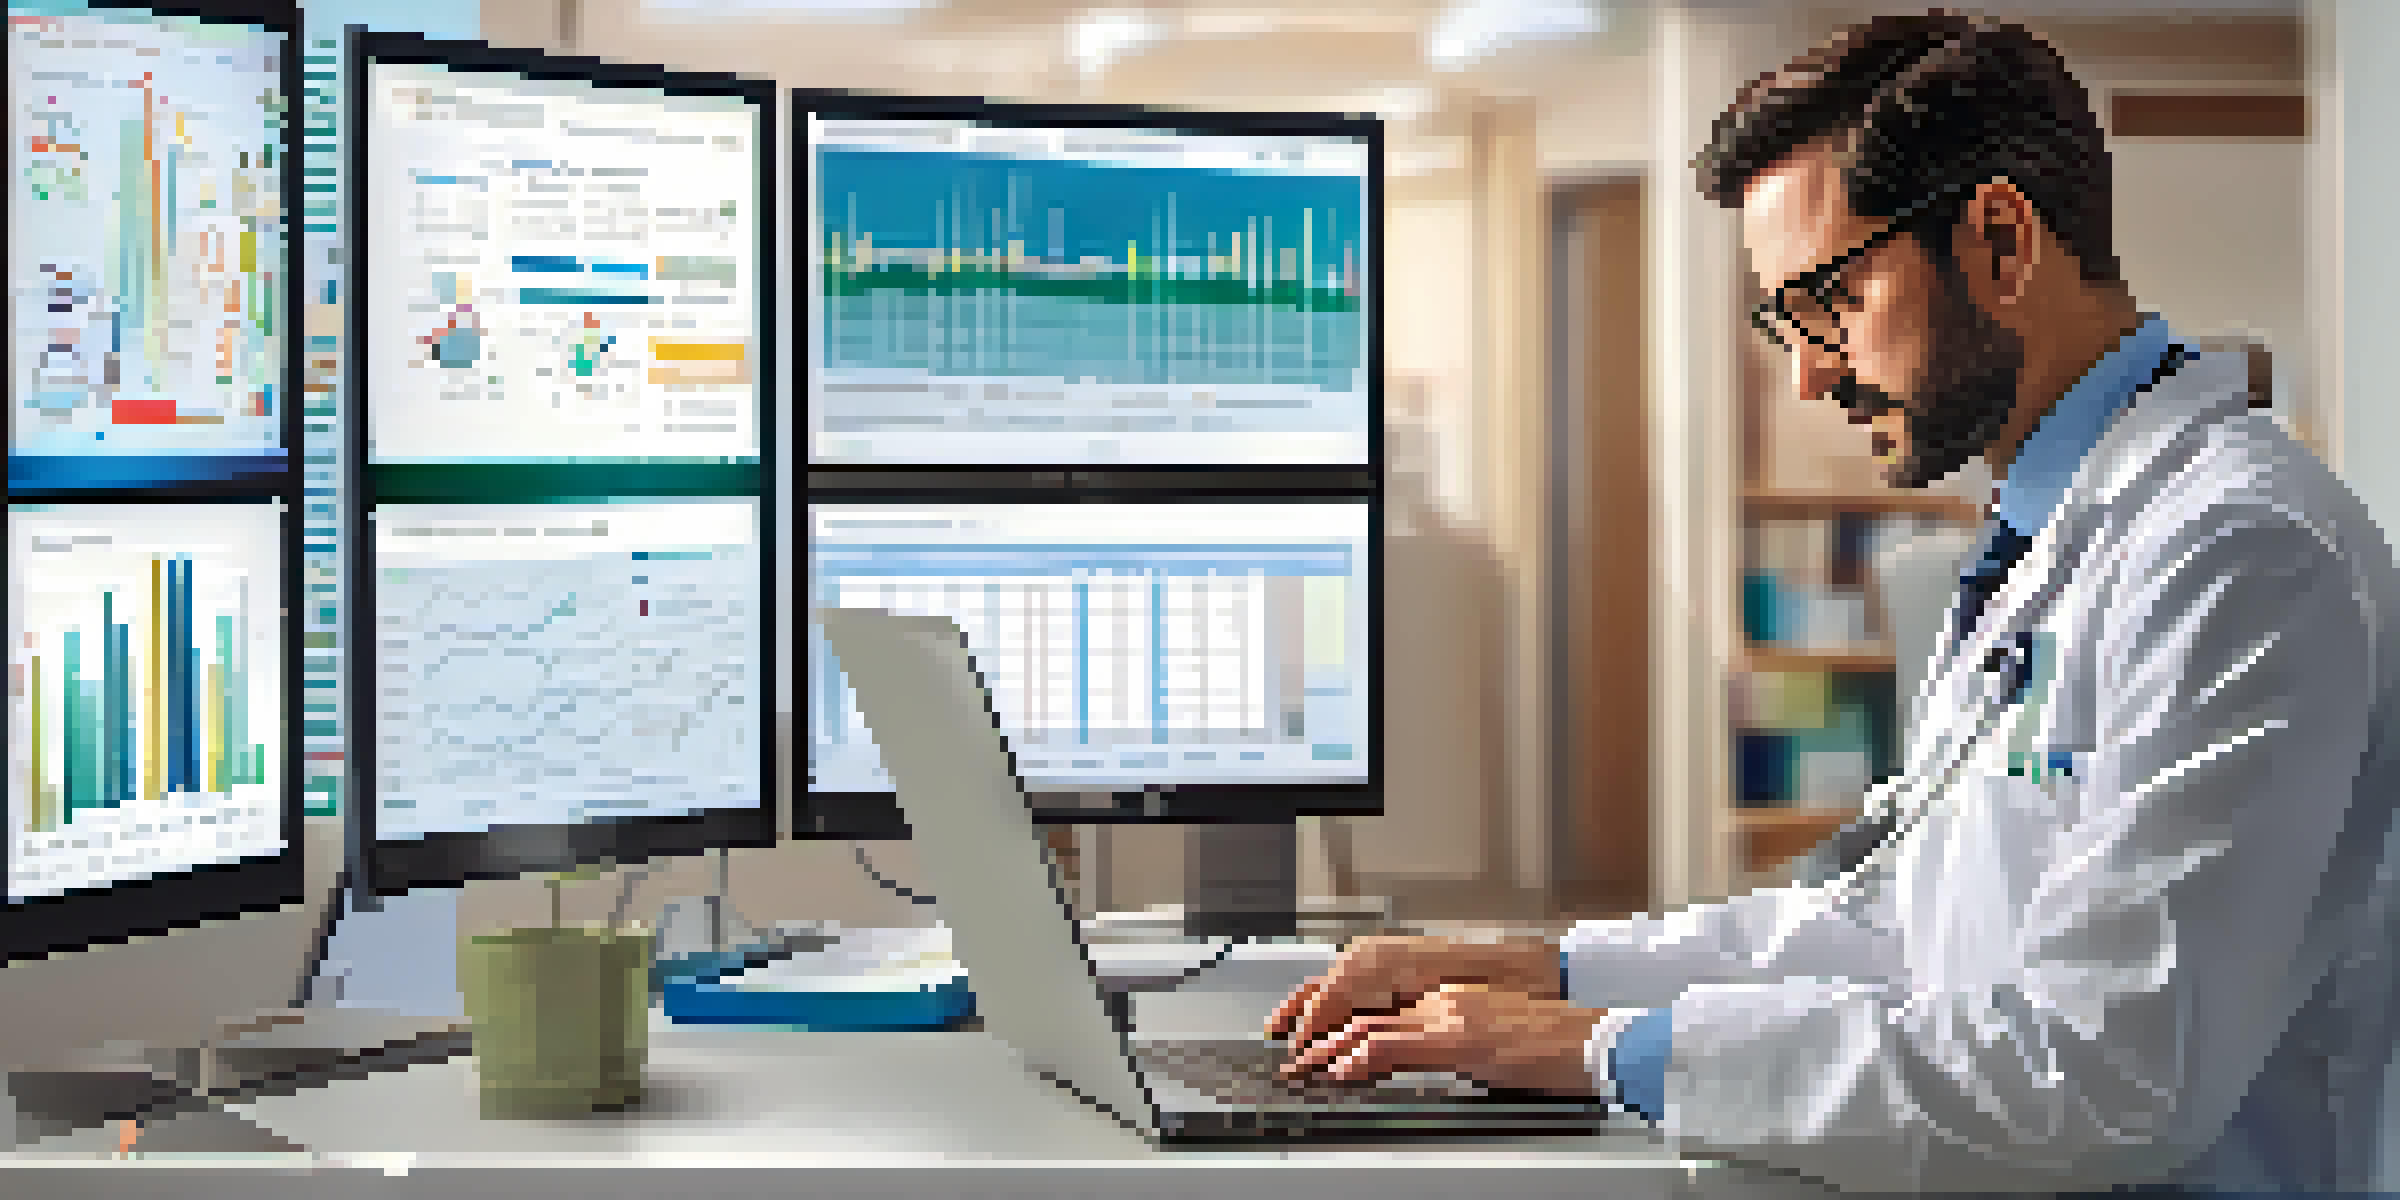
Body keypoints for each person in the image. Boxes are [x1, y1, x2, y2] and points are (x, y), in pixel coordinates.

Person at [1266, 10, 2400, 1193]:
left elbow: (2101, 1072)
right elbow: (1888, 935)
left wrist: (1597, 1049)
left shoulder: (2237, 553)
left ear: (2002, 243)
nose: (1808, 372)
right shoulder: (2047, 542)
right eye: (1788, 322)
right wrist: (1541, 971)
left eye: (1833, 302)